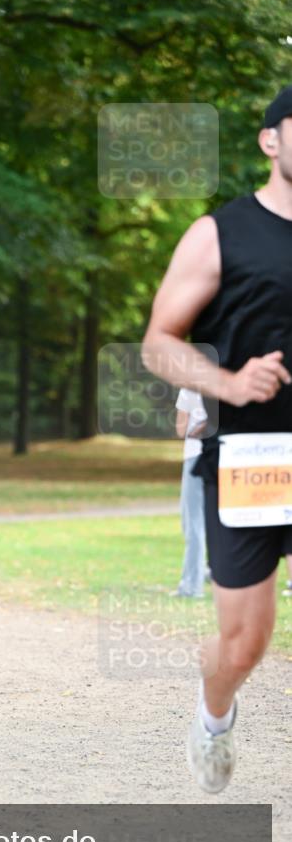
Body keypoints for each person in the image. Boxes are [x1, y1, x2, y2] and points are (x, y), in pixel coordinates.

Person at [143, 85, 292, 793]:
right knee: (244, 641)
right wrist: (230, 385)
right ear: (270, 141)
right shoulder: (219, 233)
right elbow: (156, 343)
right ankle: (213, 716)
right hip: (251, 457)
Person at [172, 388, 208, 598]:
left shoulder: (189, 387)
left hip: (196, 454)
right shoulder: (228, 378)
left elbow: (180, 429)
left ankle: (191, 585)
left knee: (193, 522)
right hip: (227, 455)